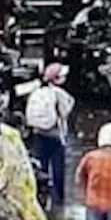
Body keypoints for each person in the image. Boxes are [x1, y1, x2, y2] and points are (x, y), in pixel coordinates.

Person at [25, 63, 76, 207]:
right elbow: (65, 113)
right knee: (58, 170)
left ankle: (40, 198)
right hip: (56, 137)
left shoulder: (38, 91)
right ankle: (58, 201)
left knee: (41, 168)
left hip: (39, 135)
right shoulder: (59, 94)